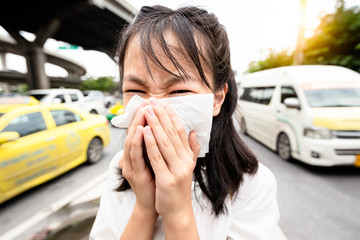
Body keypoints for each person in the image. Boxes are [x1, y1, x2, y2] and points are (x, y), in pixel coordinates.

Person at [90, 5, 280, 240]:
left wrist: (177, 212)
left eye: (178, 90)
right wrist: (145, 207)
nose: (154, 108)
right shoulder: (122, 169)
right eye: (136, 89)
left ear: (216, 99)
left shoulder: (251, 184)